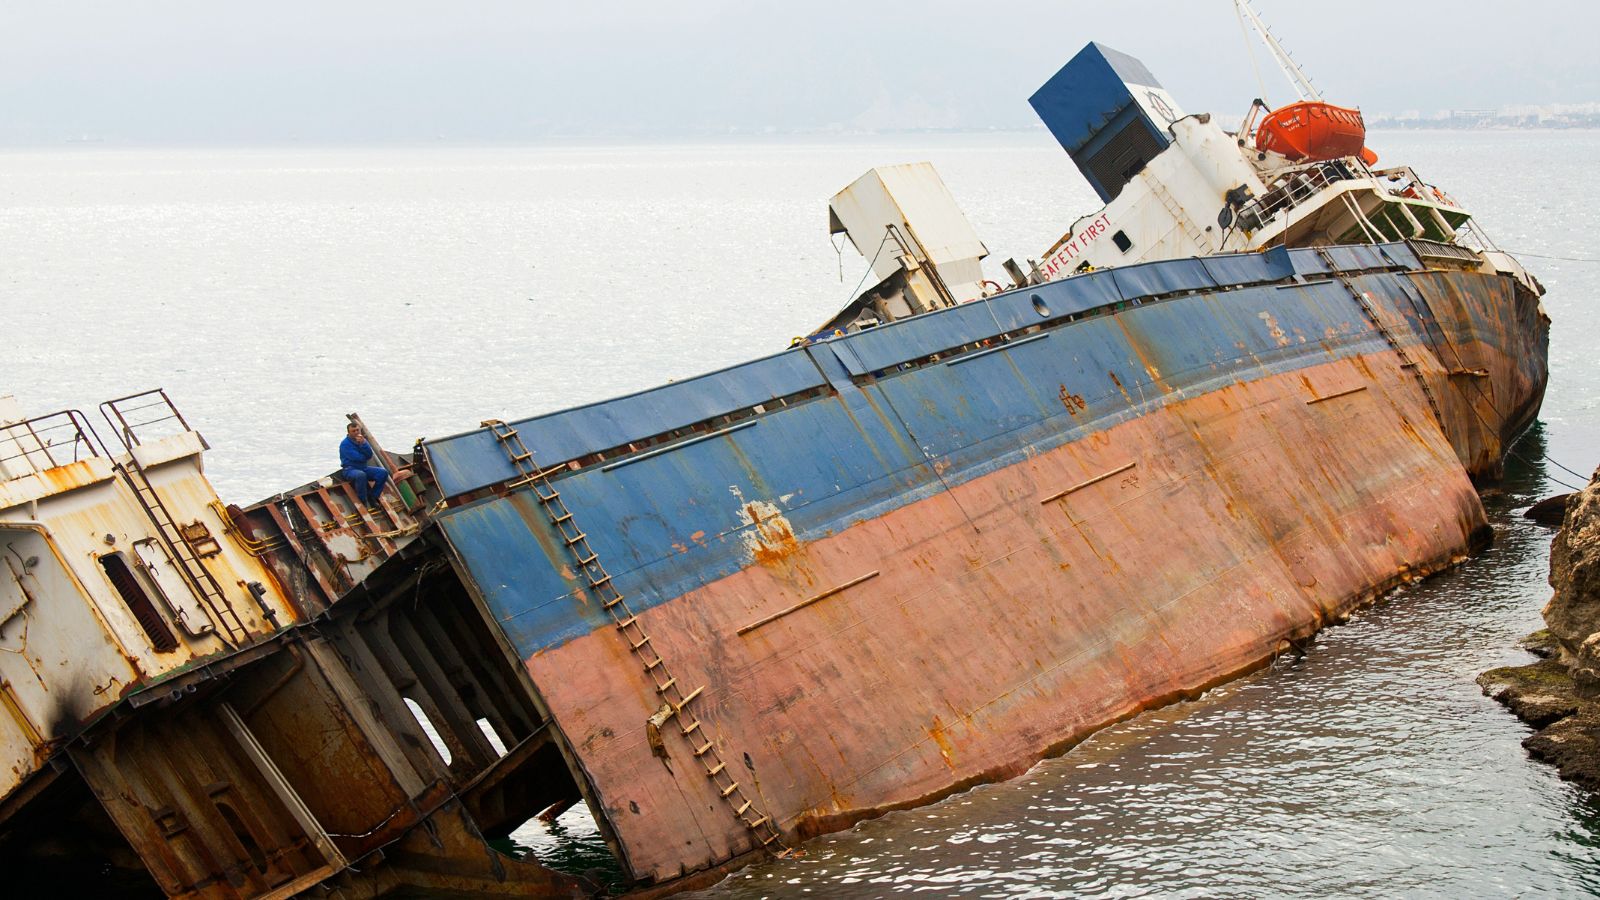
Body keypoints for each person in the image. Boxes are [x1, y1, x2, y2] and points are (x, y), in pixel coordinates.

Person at [339, 422, 389, 509]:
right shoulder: (345, 444)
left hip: (363, 467)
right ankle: (363, 500)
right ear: (349, 432)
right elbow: (358, 458)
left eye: (357, 430)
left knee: (383, 472)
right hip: (349, 469)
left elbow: (369, 455)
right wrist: (364, 455)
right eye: (353, 431)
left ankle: (373, 496)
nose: (356, 432)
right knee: (361, 475)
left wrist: (363, 444)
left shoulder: (363, 441)